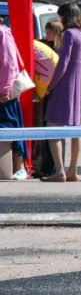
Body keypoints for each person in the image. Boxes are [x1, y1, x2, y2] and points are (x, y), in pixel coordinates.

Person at [41, 2, 81, 182]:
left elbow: (63, 64)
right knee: (75, 130)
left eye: (61, 16)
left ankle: (59, 171)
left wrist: (50, 86)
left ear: (66, 16)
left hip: (63, 86)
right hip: (77, 88)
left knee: (52, 127)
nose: (60, 20)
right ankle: (73, 170)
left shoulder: (69, 34)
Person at [0, 24, 30, 180]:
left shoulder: (2, 33)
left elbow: (8, 64)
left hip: (4, 93)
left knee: (11, 126)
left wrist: (4, 91)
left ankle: (20, 167)